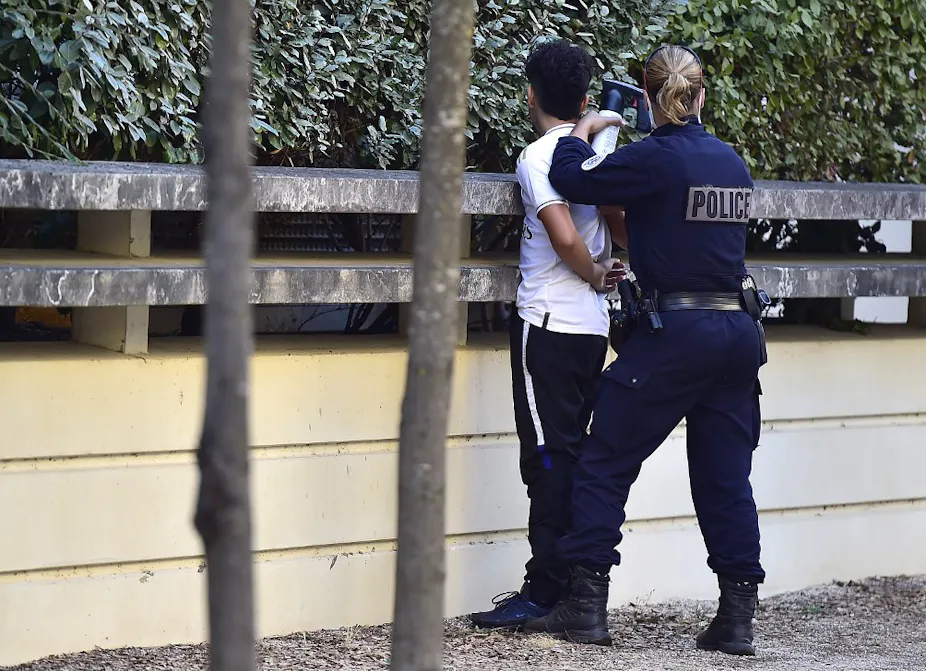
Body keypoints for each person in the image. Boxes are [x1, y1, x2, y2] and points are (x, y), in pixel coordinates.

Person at [523, 44, 768, 657]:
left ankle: (585, 605)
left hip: (675, 336)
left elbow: (572, 177)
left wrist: (584, 128)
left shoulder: (655, 157)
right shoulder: (733, 164)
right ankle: (736, 618)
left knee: (604, 459)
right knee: (725, 478)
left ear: (652, 101)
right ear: (701, 96)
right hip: (737, 338)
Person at [469, 38, 624, 630]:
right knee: (576, 455)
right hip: (592, 327)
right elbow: (620, 222)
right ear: (586, 98)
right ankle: (574, 586)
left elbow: (561, 235)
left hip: (547, 325)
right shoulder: (597, 152)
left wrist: (587, 269)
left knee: (547, 460)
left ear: (530, 95)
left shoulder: (537, 157)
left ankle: (546, 590)